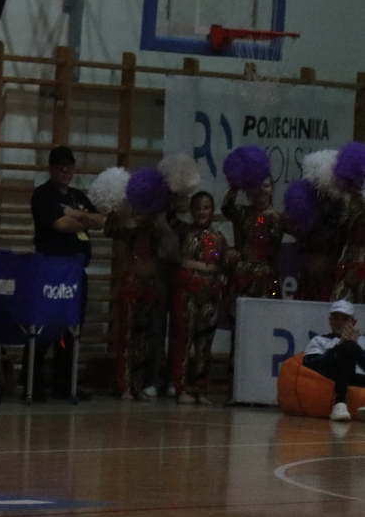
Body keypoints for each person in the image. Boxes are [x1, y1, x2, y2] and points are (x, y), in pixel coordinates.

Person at [30, 146, 102, 401]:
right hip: (50, 271)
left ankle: (65, 384)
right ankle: (33, 383)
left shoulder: (77, 196)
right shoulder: (43, 195)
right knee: (43, 327)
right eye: (59, 166)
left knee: (72, 329)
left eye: (68, 166)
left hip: (76, 272)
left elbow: (100, 220)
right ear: (50, 168)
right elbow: (62, 225)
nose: (64, 170)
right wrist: (80, 218)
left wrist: (74, 212)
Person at [105, 204, 170, 401]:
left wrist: (156, 214)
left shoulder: (155, 231)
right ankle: (124, 385)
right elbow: (109, 229)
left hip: (149, 285)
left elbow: (167, 233)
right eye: (139, 212)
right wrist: (117, 213)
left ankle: (138, 384)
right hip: (130, 284)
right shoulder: (127, 232)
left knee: (143, 340)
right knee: (126, 337)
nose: (142, 216)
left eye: (145, 211)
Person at [169, 191, 229, 405]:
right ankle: (181, 388)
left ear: (212, 210)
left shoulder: (219, 237)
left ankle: (201, 389)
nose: (202, 212)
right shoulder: (183, 230)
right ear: (191, 211)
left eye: (206, 208)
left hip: (210, 294)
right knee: (184, 340)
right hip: (187, 292)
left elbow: (223, 263)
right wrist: (178, 195)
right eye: (197, 208)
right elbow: (169, 216)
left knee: (205, 342)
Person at [223, 177, 282, 305]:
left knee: (266, 315)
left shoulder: (279, 217)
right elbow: (226, 208)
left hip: (268, 279)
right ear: (249, 191)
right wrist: (235, 186)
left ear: (272, 190)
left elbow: (301, 234)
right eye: (256, 186)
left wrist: (277, 221)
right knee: (240, 314)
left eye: (266, 186)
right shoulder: (242, 212)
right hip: (243, 275)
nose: (261, 190)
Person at [303, 301, 365, 422]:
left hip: (358, 378)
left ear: (353, 322)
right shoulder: (319, 340)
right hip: (332, 377)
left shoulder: (363, 340)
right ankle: (340, 402)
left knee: (349, 345)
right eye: (336, 318)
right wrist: (339, 346)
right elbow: (312, 364)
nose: (339, 323)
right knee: (347, 346)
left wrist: (355, 347)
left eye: (345, 319)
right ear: (330, 320)